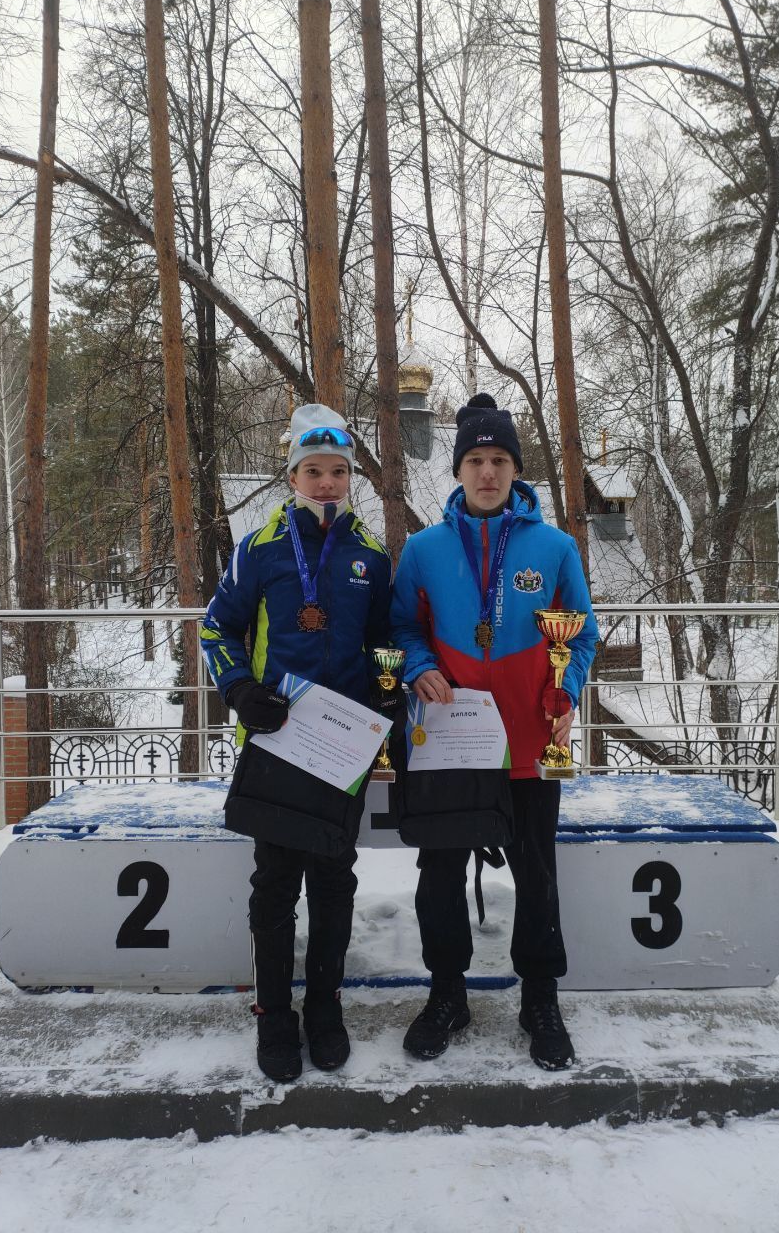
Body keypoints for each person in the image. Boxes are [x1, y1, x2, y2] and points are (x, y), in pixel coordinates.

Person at [390, 393, 598, 1071]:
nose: (487, 472)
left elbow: (582, 634)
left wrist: (566, 686)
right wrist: (419, 664)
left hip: (533, 742)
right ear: (458, 469)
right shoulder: (422, 550)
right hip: (451, 741)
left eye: (499, 459)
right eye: (475, 459)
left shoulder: (554, 547)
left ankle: (540, 996)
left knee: (539, 875)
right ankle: (447, 993)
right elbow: (401, 629)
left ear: (516, 469)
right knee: (440, 873)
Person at [201, 403, 392, 1083]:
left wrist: (388, 687)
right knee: (275, 883)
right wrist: (238, 692)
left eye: (338, 471)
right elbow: (214, 629)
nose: (326, 483)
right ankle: (276, 1013)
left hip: (342, 747)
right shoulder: (258, 549)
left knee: (335, 881)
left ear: (350, 478)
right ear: (292, 477)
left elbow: (385, 642)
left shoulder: (371, 555)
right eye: (313, 471)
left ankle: (324, 1009)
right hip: (277, 738)